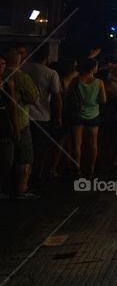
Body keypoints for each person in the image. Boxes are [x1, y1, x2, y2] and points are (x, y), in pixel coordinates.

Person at [20, 43, 62, 188]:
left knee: (24, 149)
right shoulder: (51, 73)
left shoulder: (23, 69)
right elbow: (57, 98)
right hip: (43, 116)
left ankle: (22, 178)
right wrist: (58, 117)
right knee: (40, 149)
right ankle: (36, 177)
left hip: (24, 115)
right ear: (47, 56)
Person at [3, 47, 40, 197]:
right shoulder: (20, 77)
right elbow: (33, 97)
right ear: (19, 61)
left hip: (4, 122)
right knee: (24, 157)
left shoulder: (3, 75)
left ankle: (8, 187)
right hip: (21, 120)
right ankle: (21, 188)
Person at [70, 58, 106, 179]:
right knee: (93, 143)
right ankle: (91, 169)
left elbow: (69, 96)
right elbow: (103, 100)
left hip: (78, 114)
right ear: (92, 68)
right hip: (93, 114)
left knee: (77, 144)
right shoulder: (99, 82)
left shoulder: (75, 81)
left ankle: (77, 169)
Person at [0, 55, 20, 198]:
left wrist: (16, 127)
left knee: (7, 161)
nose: (1, 66)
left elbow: (13, 106)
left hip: (5, 125)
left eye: (3, 63)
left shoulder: (7, 82)